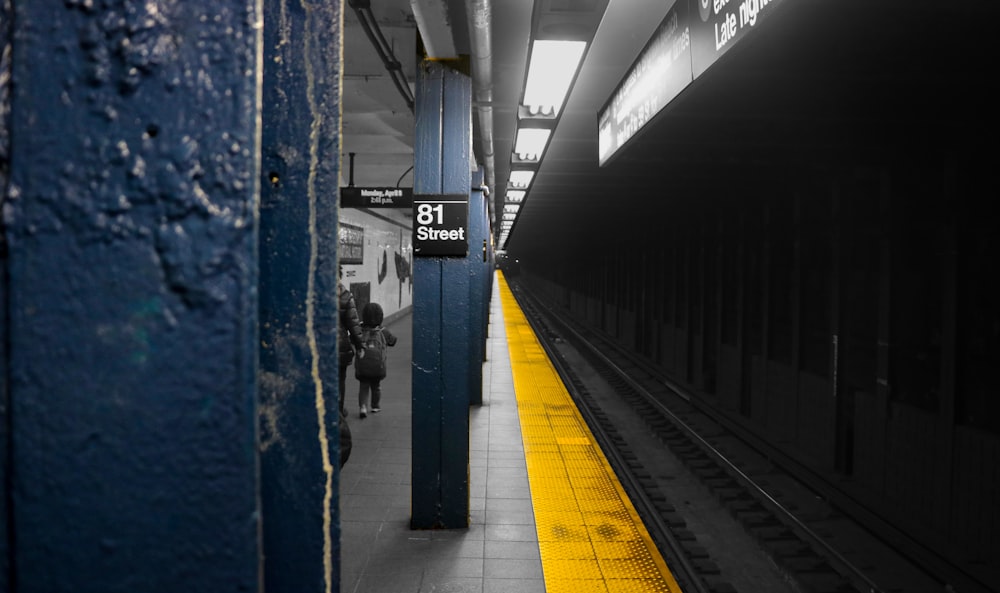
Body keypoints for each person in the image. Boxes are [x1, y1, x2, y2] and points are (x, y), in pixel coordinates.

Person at [355, 301, 397, 418]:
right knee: (376, 387)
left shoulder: (360, 329)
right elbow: (393, 341)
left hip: (363, 367)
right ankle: (375, 406)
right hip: (377, 368)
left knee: (363, 386)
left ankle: (363, 407)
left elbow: (352, 339)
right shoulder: (382, 331)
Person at [338, 266, 365, 417]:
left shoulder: (314, 292)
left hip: (317, 347)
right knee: (340, 380)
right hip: (340, 346)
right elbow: (353, 324)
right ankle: (339, 411)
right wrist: (360, 344)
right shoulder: (345, 295)